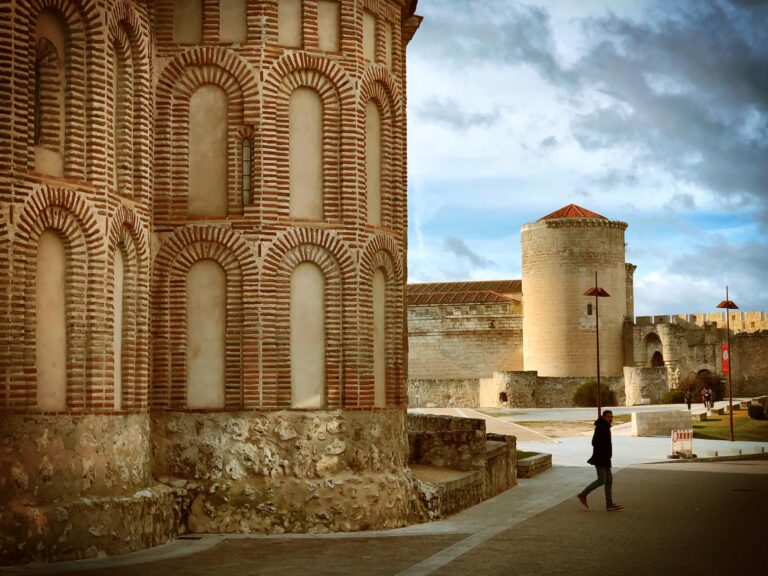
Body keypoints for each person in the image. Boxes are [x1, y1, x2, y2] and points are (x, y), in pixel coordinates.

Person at [577, 410, 623, 511]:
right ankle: (583, 494)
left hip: (605, 458)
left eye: (611, 417)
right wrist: (603, 452)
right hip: (600, 458)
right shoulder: (601, 427)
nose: (610, 418)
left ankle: (609, 504)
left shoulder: (605, 426)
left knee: (609, 480)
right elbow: (594, 442)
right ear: (603, 417)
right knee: (602, 480)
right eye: (608, 417)